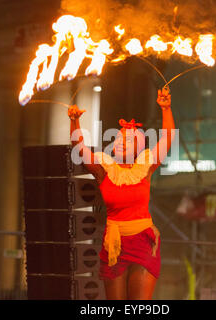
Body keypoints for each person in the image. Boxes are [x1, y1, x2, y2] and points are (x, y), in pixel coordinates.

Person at [68, 87, 175, 300]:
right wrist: (74, 122)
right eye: (117, 139)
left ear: (138, 147)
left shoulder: (145, 167)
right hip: (114, 243)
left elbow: (166, 140)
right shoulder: (104, 170)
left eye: (126, 140)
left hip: (143, 241)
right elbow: (80, 149)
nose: (119, 142)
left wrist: (166, 108)